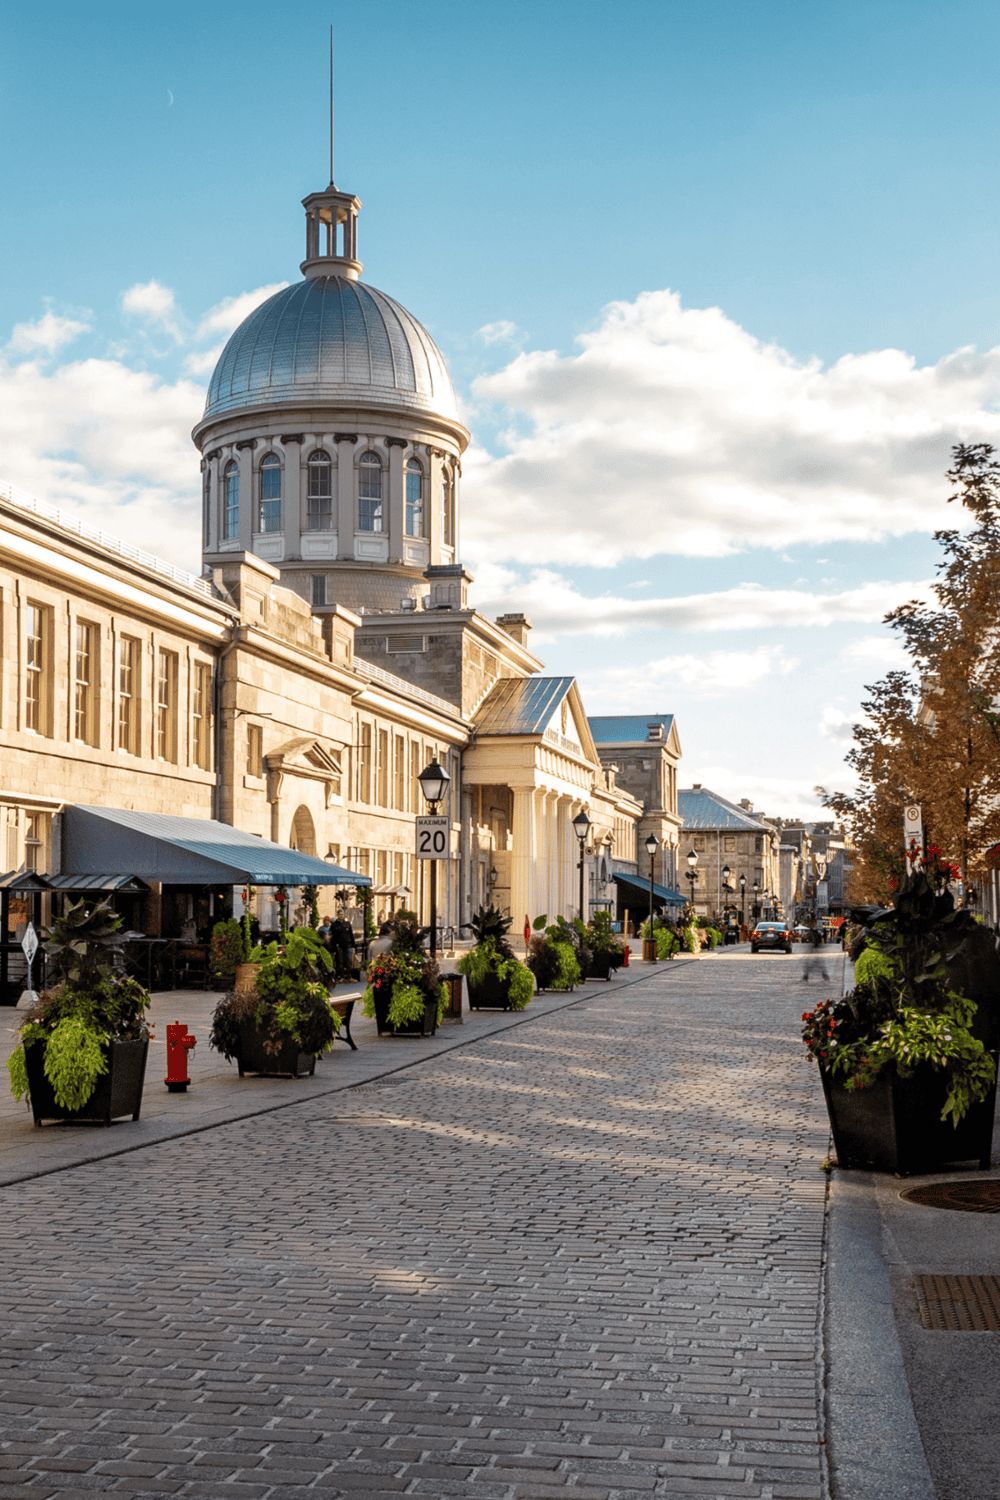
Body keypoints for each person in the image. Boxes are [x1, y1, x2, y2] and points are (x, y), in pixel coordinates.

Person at [801, 918, 829, 982]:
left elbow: (815, 940)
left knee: (813, 964)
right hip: (814, 949)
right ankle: (824, 976)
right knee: (816, 964)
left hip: (814, 950)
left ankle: (806, 976)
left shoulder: (814, 932)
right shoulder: (813, 931)